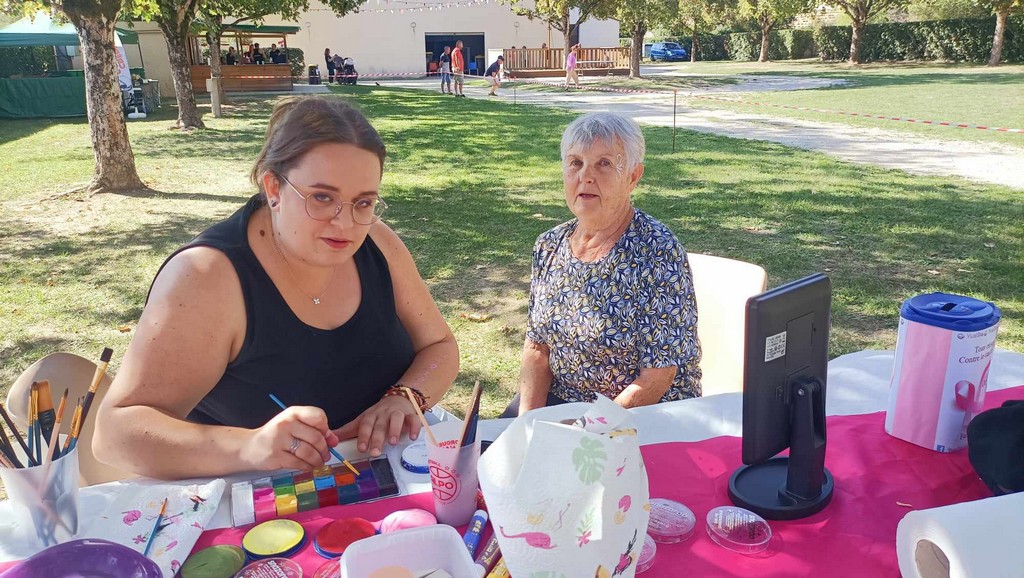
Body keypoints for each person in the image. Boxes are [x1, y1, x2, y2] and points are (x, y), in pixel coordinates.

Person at [94, 97, 460, 480]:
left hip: (387, 476)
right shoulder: (207, 277)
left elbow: (440, 346)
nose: (346, 223)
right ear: (273, 188)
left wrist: (404, 397)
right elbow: (115, 434)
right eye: (322, 197)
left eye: (364, 202)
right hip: (257, 494)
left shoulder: (378, 243)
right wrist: (251, 445)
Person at [502, 112, 701, 418]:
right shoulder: (549, 245)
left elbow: (656, 377)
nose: (586, 176)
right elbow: (537, 348)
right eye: (575, 163)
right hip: (563, 403)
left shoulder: (657, 251)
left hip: (643, 413)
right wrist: (527, 423)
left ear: (633, 176)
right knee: (487, 447)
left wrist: (586, 432)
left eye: (604, 163)